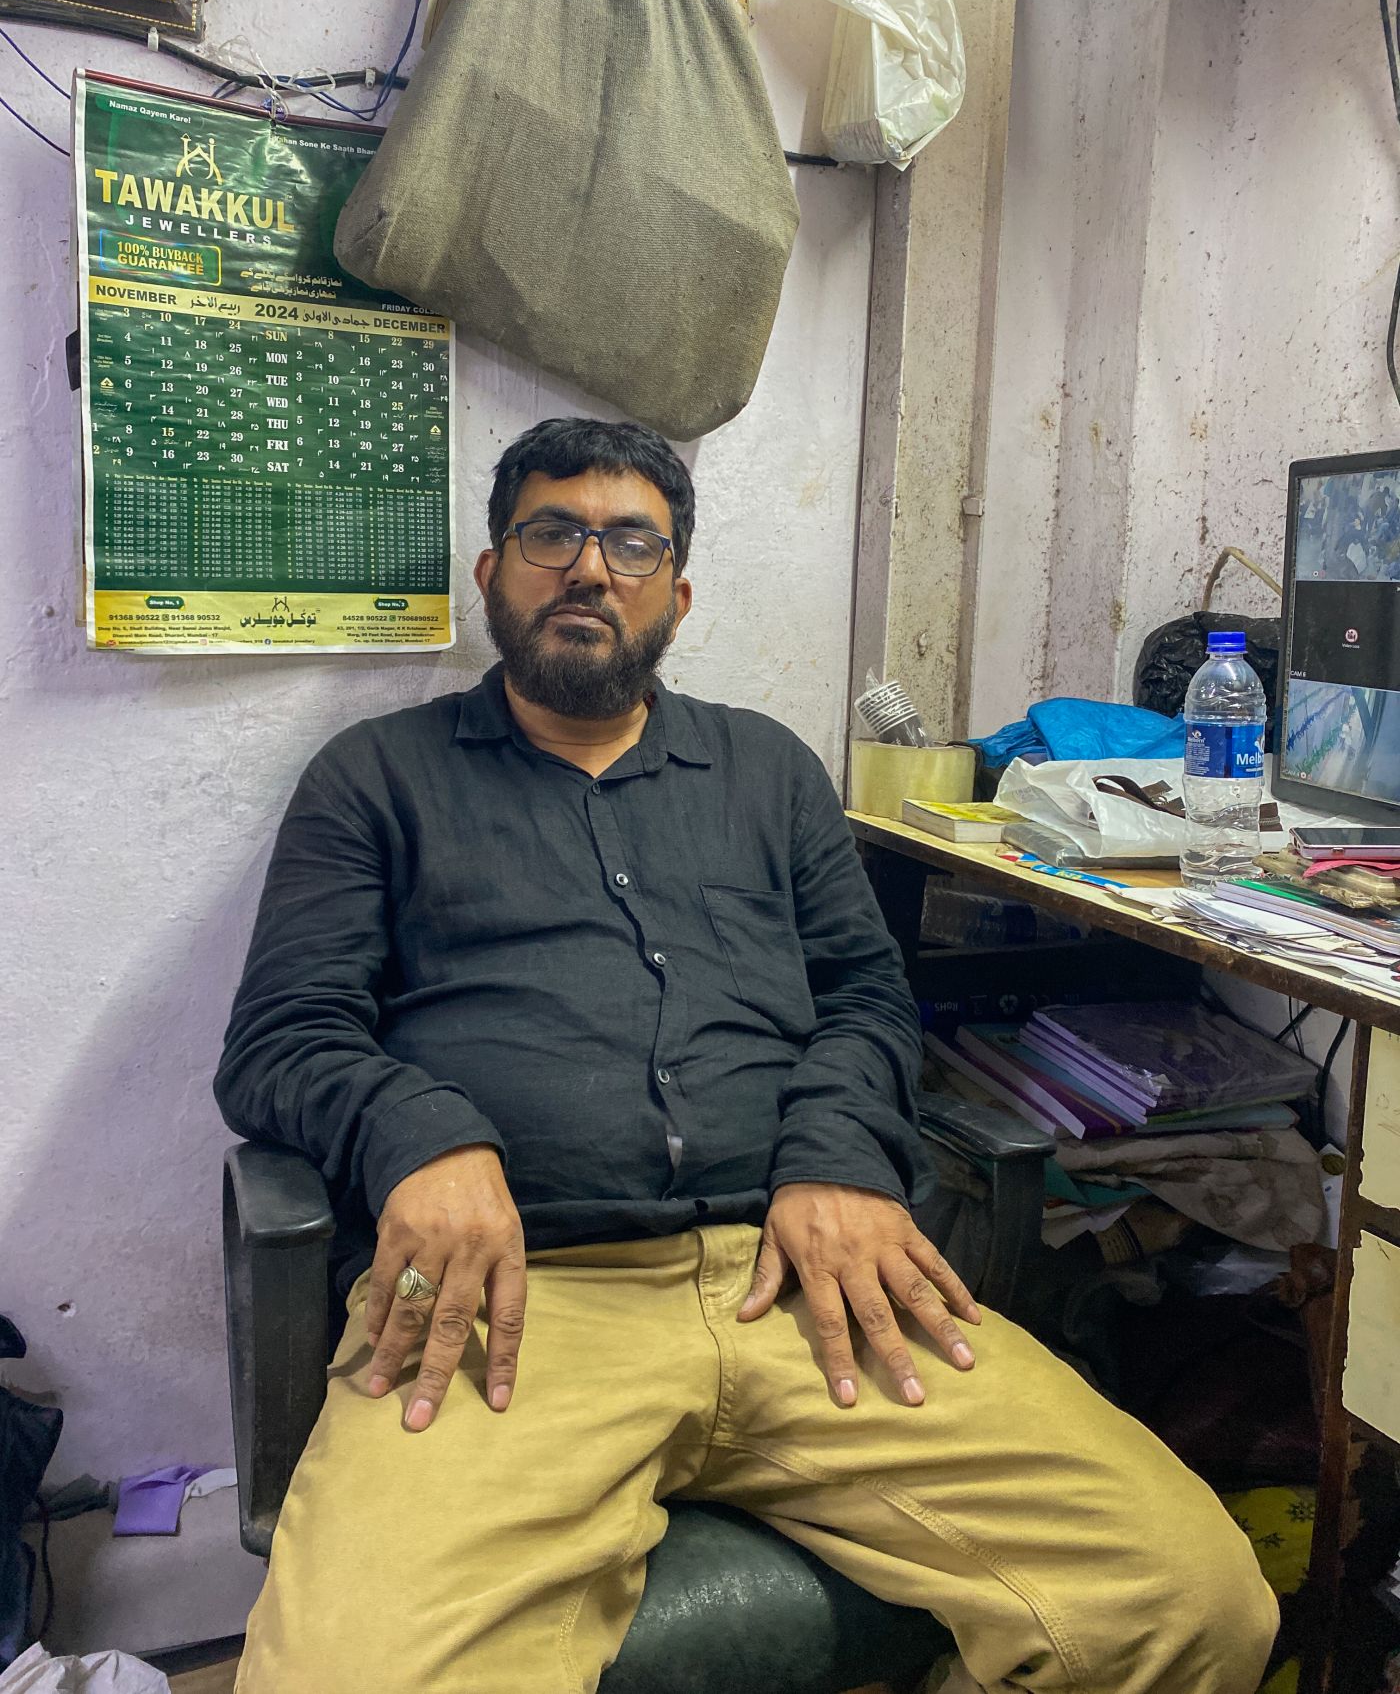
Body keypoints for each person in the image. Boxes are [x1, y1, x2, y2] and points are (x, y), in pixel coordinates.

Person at [216, 418, 1277, 1694]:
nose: (588, 568)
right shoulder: (374, 777)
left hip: (804, 1279)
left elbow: (866, 997)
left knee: (1187, 1600)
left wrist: (833, 1158)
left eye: (629, 542)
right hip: (520, 1302)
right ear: (490, 572)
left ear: (677, 591)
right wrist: (418, 1131)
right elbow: (281, 1039)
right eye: (549, 533)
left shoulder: (767, 771)